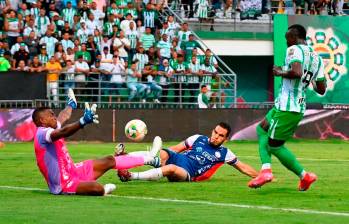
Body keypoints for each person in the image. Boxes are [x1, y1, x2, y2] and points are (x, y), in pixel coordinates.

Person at [32, 89, 162, 196]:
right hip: (63, 183)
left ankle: (149, 158)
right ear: (42, 120)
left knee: (109, 160)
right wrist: (82, 121)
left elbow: (63, 116)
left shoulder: (52, 128)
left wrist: (71, 105)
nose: (54, 117)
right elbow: (63, 132)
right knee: (97, 188)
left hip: (74, 170)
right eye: (51, 115)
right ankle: (104, 190)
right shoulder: (43, 133)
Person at [248, 24, 327, 191]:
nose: (286, 43)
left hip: (287, 108)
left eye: (287, 39)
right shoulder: (317, 58)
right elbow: (321, 89)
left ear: (295, 37)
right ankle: (267, 170)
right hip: (287, 105)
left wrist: (279, 72)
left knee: (273, 145)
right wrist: (309, 78)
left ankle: (303, 175)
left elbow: (297, 72)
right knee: (262, 129)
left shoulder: (294, 50)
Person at [118, 122, 258, 182]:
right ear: (212, 130)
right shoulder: (198, 138)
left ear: (225, 139)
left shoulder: (224, 153)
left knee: (170, 168)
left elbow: (243, 167)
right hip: (178, 158)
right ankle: (124, 159)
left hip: (188, 172)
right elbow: (176, 149)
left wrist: (260, 176)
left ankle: (131, 176)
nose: (216, 136)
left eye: (221, 135)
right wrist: (163, 156)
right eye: (216, 132)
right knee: (163, 153)